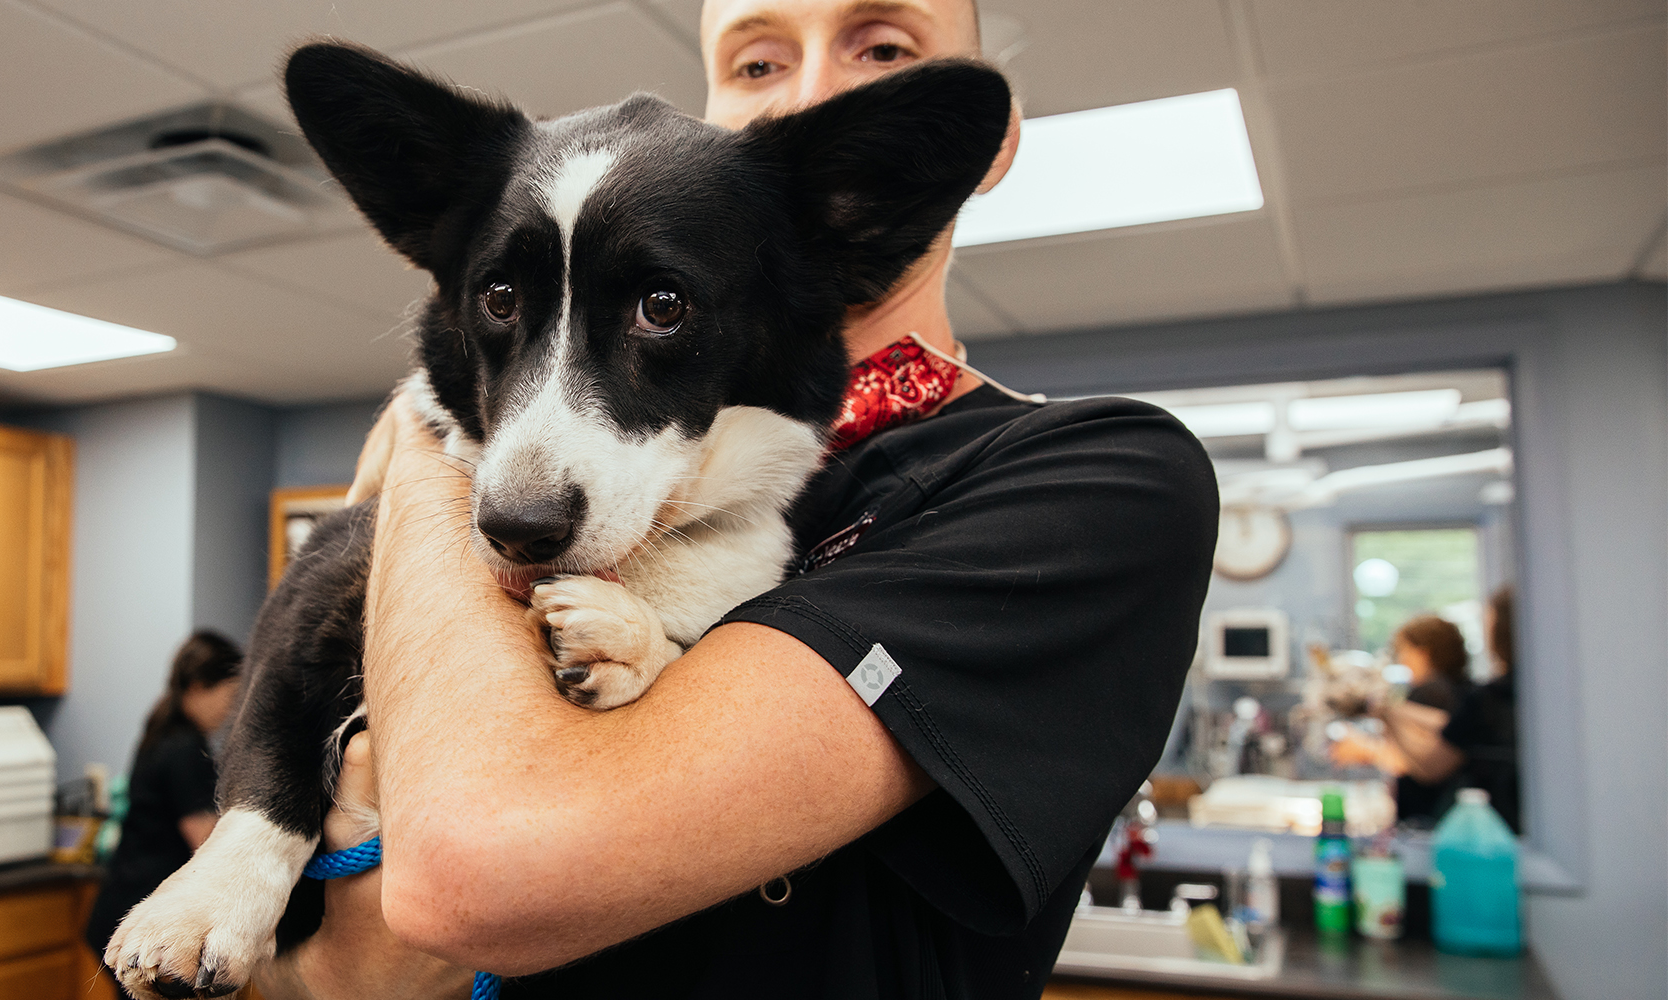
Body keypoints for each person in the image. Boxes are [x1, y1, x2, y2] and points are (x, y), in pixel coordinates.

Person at [249, 1, 1218, 997]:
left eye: (881, 47)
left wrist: (428, 434)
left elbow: (487, 868)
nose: (806, 93)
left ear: (993, 145)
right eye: (755, 63)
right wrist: (317, 976)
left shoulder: (1089, 483)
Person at [86, 631, 245, 972]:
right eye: (230, 695)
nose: (231, 708)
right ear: (200, 687)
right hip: (139, 910)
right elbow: (205, 842)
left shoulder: (164, 734)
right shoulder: (185, 748)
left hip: (122, 906)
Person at [1372, 590, 1521, 833]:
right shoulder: (1469, 690)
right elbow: (1449, 725)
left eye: (1403, 650)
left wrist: (1386, 716)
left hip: (1453, 818)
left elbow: (1429, 764)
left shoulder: (1476, 697)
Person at [1388, 615, 1472, 822]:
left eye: (1403, 650)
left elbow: (1408, 759)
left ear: (1422, 653)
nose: (1402, 659)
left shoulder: (1427, 693)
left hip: (1426, 807)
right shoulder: (1465, 691)